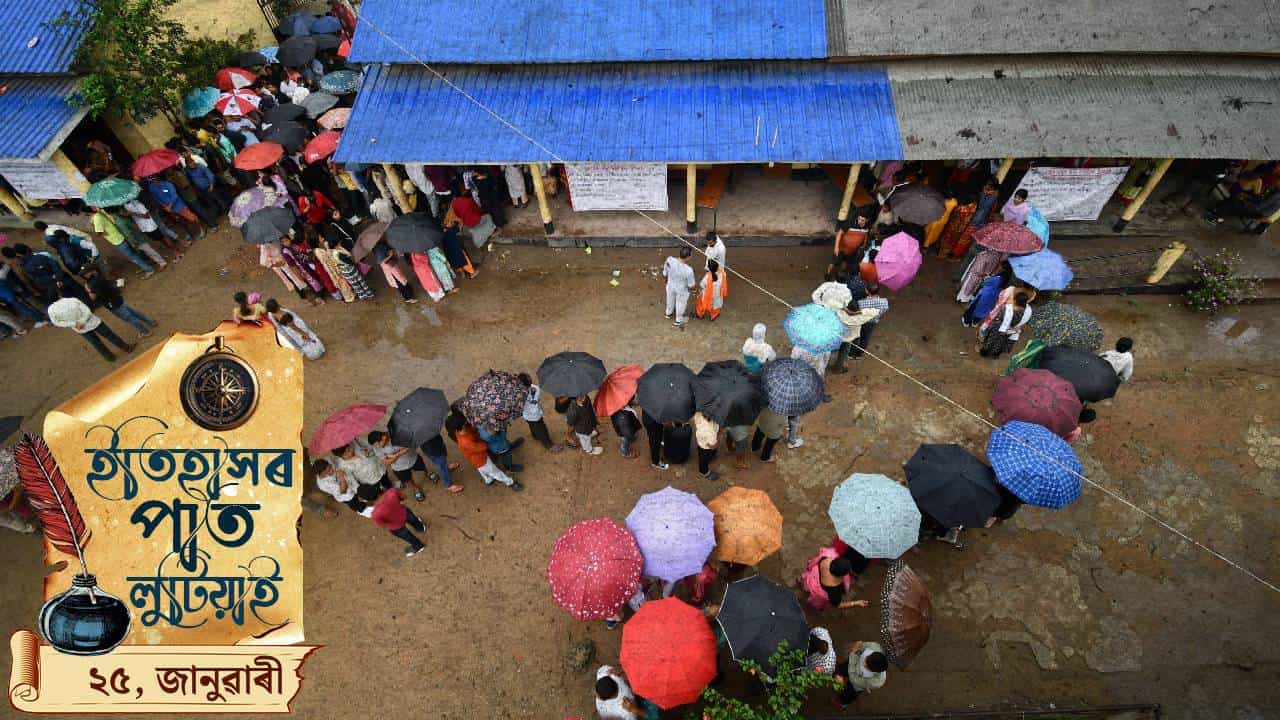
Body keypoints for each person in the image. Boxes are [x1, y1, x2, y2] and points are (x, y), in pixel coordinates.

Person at [46, 293, 134, 361]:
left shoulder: (51, 310)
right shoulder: (72, 300)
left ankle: (109, 357)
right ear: (59, 294)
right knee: (109, 335)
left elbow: (56, 322)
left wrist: (73, 324)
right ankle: (126, 348)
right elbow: (87, 311)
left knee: (96, 343)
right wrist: (82, 322)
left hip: (80, 329)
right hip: (92, 322)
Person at [80, 266, 156, 337]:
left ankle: (145, 332)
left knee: (130, 318)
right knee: (133, 312)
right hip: (117, 298)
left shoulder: (93, 283)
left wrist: (88, 290)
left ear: (92, 271)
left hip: (112, 304)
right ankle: (151, 322)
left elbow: (93, 297)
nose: (84, 275)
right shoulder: (99, 275)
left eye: (86, 272)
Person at [454, 421, 524, 491]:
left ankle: (488, 480)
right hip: (482, 459)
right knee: (495, 472)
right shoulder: (466, 442)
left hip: (475, 459)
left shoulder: (459, 433)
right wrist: (485, 442)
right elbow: (481, 447)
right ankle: (510, 482)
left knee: (482, 470)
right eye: (465, 424)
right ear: (462, 427)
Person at [800, 547, 869, 611]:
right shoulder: (835, 590)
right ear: (842, 575)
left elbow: (812, 564)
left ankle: (803, 582)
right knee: (819, 604)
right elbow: (838, 604)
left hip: (812, 579)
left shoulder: (825, 559)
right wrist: (856, 603)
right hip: (819, 594)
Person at [367, 431, 426, 502]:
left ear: (383, 437)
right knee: (407, 480)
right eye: (375, 445)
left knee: (423, 468)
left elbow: (410, 446)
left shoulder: (396, 435)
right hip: (399, 468)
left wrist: (394, 455)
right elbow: (387, 462)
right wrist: (400, 453)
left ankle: (427, 473)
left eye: (378, 444)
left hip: (413, 458)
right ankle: (416, 489)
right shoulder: (376, 448)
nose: (377, 446)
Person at [370, 487, 427, 557]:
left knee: (408, 536)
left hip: (396, 527)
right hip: (404, 513)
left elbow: (383, 525)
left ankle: (418, 546)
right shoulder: (392, 492)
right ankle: (421, 528)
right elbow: (404, 497)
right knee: (414, 520)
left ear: (367, 500)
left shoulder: (375, 514)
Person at [831, 301, 881, 374]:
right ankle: (838, 369)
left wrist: (844, 309)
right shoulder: (860, 318)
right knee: (843, 353)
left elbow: (832, 304)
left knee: (830, 349)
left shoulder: (839, 313)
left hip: (837, 336)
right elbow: (876, 311)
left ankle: (827, 362)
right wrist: (858, 312)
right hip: (848, 339)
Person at [834, 641, 888, 708]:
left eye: (867, 666)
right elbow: (860, 646)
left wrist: (853, 654)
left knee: (848, 694)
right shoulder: (874, 646)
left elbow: (853, 679)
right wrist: (857, 646)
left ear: (875, 671)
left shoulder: (876, 681)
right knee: (839, 669)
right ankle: (836, 672)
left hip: (855, 685)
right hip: (852, 663)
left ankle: (842, 703)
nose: (864, 663)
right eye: (867, 658)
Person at [518, 373, 563, 452]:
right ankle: (549, 445)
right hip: (535, 416)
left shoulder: (517, 393)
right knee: (542, 430)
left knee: (532, 425)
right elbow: (534, 405)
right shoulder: (535, 389)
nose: (530, 377)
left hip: (526, 415)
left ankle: (535, 435)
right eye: (528, 377)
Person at [979, 291, 1031, 358]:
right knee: (1000, 342)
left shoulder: (1006, 308)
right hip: (1008, 331)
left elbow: (997, 317)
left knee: (990, 340)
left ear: (1015, 300)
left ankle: (984, 353)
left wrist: (989, 327)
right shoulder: (1023, 312)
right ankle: (994, 355)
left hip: (997, 328)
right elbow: (1016, 323)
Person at [661, 246, 696, 328]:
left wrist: (666, 280)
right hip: (681, 290)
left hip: (670, 285)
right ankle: (678, 320)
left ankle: (668, 313)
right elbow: (691, 285)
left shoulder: (669, 260)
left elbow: (665, 273)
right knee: (681, 304)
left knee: (670, 299)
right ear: (688, 257)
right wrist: (692, 290)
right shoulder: (688, 270)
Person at [851, 283, 889, 359]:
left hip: (862, 321)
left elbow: (857, 312)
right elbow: (884, 310)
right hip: (873, 322)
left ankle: (851, 353)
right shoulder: (884, 302)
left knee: (856, 335)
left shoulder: (861, 303)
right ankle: (859, 354)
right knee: (865, 338)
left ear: (867, 292)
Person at [693, 411, 720, 480]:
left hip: (700, 440)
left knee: (701, 453)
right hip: (706, 445)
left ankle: (710, 458)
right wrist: (716, 442)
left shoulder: (698, 413)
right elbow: (712, 445)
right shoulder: (710, 431)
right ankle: (704, 472)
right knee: (704, 458)